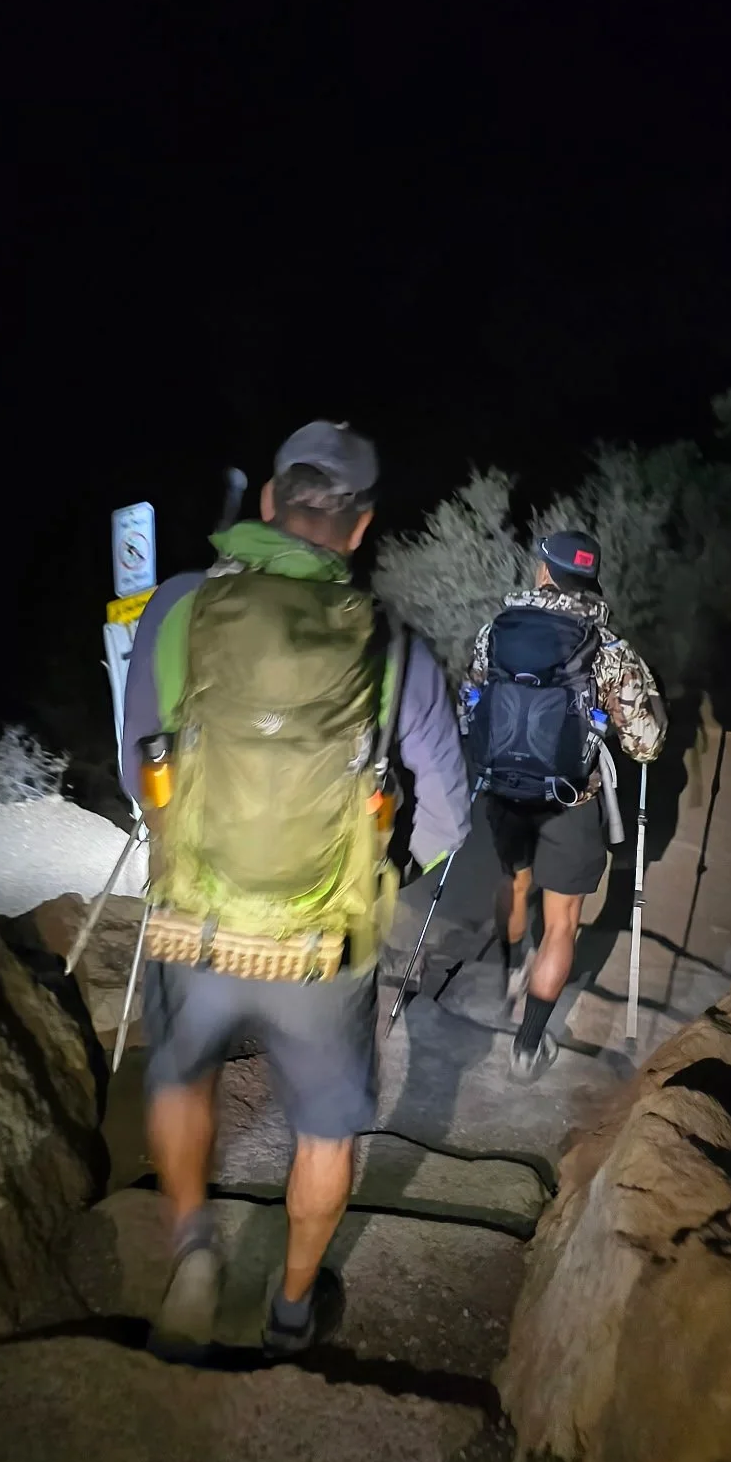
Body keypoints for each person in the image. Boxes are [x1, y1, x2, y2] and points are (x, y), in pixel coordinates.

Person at [121, 422, 469, 1359]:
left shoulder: (179, 610)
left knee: (181, 1074)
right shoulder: (394, 651)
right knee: (324, 1130)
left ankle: (195, 1254)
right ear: (359, 531)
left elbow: (139, 765)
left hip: (195, 922)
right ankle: (290, 1315)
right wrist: (367, 870)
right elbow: (446, 822)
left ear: (271, 502)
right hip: (321, 945)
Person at [465, 529, 666, 1079]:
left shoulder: (494, 633)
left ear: (545, 573)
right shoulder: (610, 651)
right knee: (562, 924)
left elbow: (472, 707)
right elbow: (645, 744)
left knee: (514, 880)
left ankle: (511, 975)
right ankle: (528, 1049)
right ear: (589, 582)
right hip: (571, 800)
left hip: (505, 791)